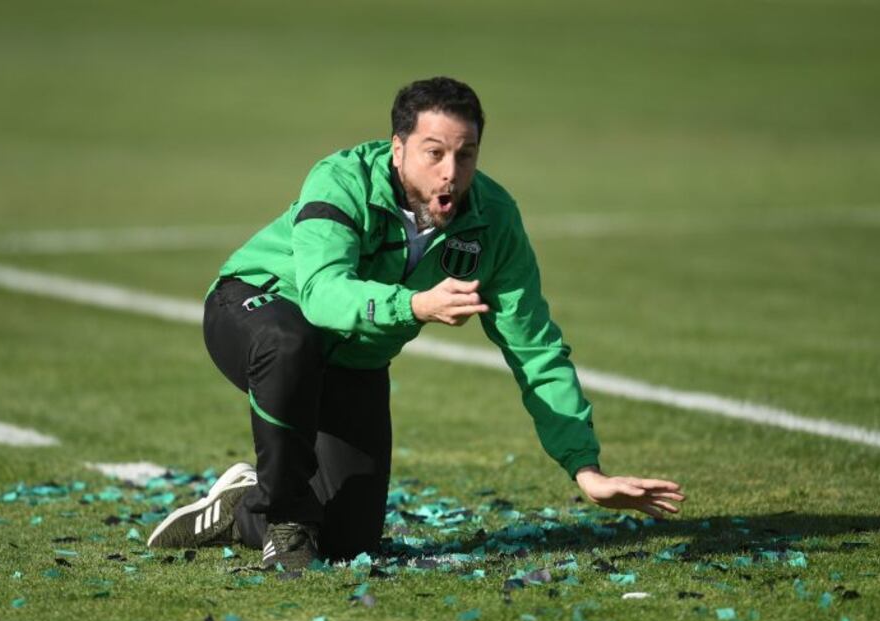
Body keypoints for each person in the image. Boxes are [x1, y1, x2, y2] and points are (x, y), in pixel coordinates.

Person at [147, 77, 685, 569]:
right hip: (254, 306)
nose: (451, 171)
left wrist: (585, 466)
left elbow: (535, 346)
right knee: (291, 343)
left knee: (348, 541)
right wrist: (414, 305)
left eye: (465, 154)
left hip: (354, 359)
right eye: (435, 153)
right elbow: (319, 294)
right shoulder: (340, 182)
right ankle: (283, 515)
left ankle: (242, 506)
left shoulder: (493, 220)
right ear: (398, 148)